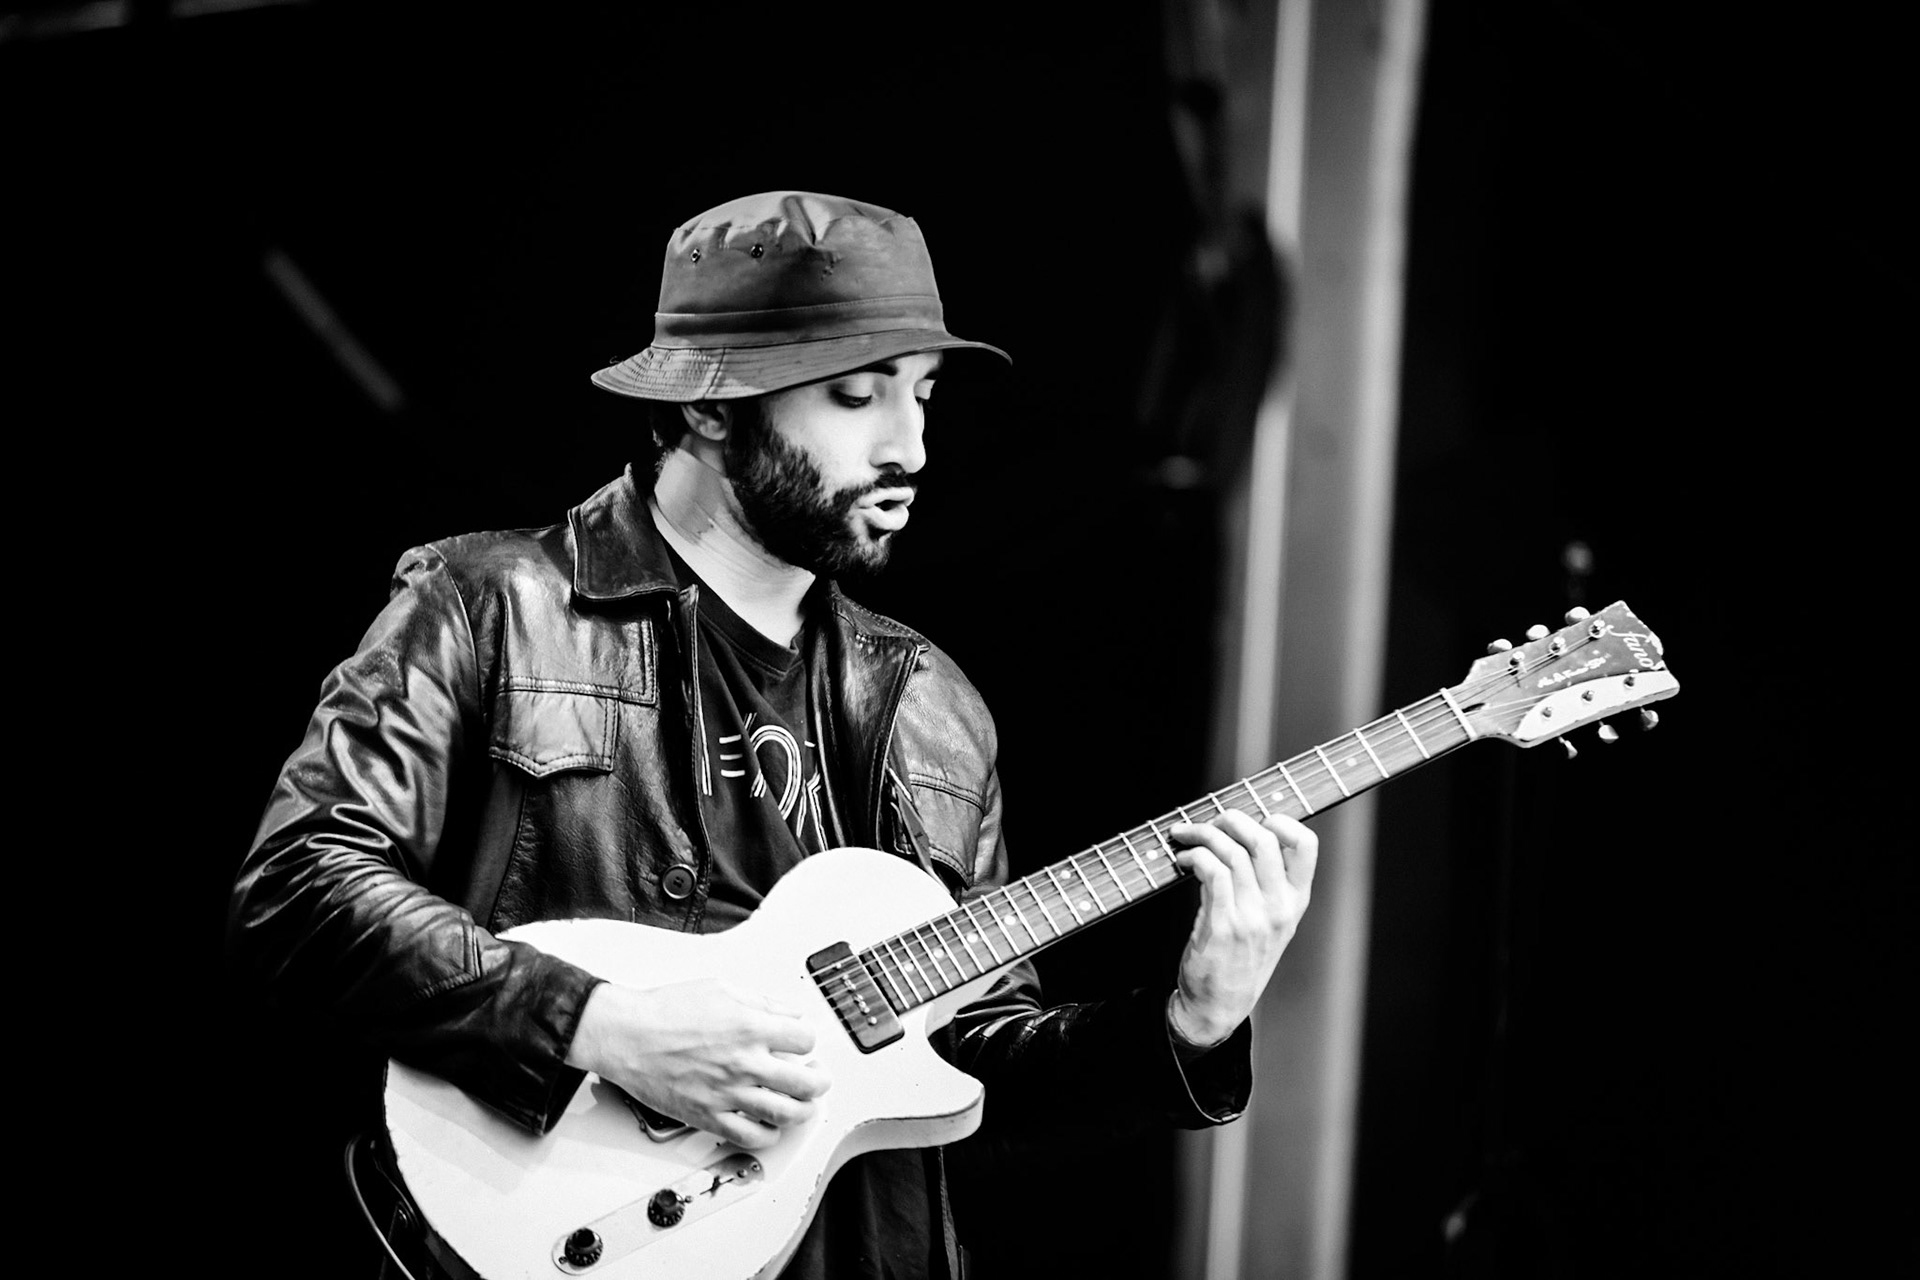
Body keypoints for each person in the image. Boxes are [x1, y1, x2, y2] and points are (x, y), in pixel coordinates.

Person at [228, 190, 1319, 1280]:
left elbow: (973, 1063)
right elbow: (298, 883)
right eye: (856, 396)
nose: (913, 446)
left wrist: (1190, 1022)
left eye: (924, 395)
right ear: (711, 409)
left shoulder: (935, 707)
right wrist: (594, 1023)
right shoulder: (489, 606)